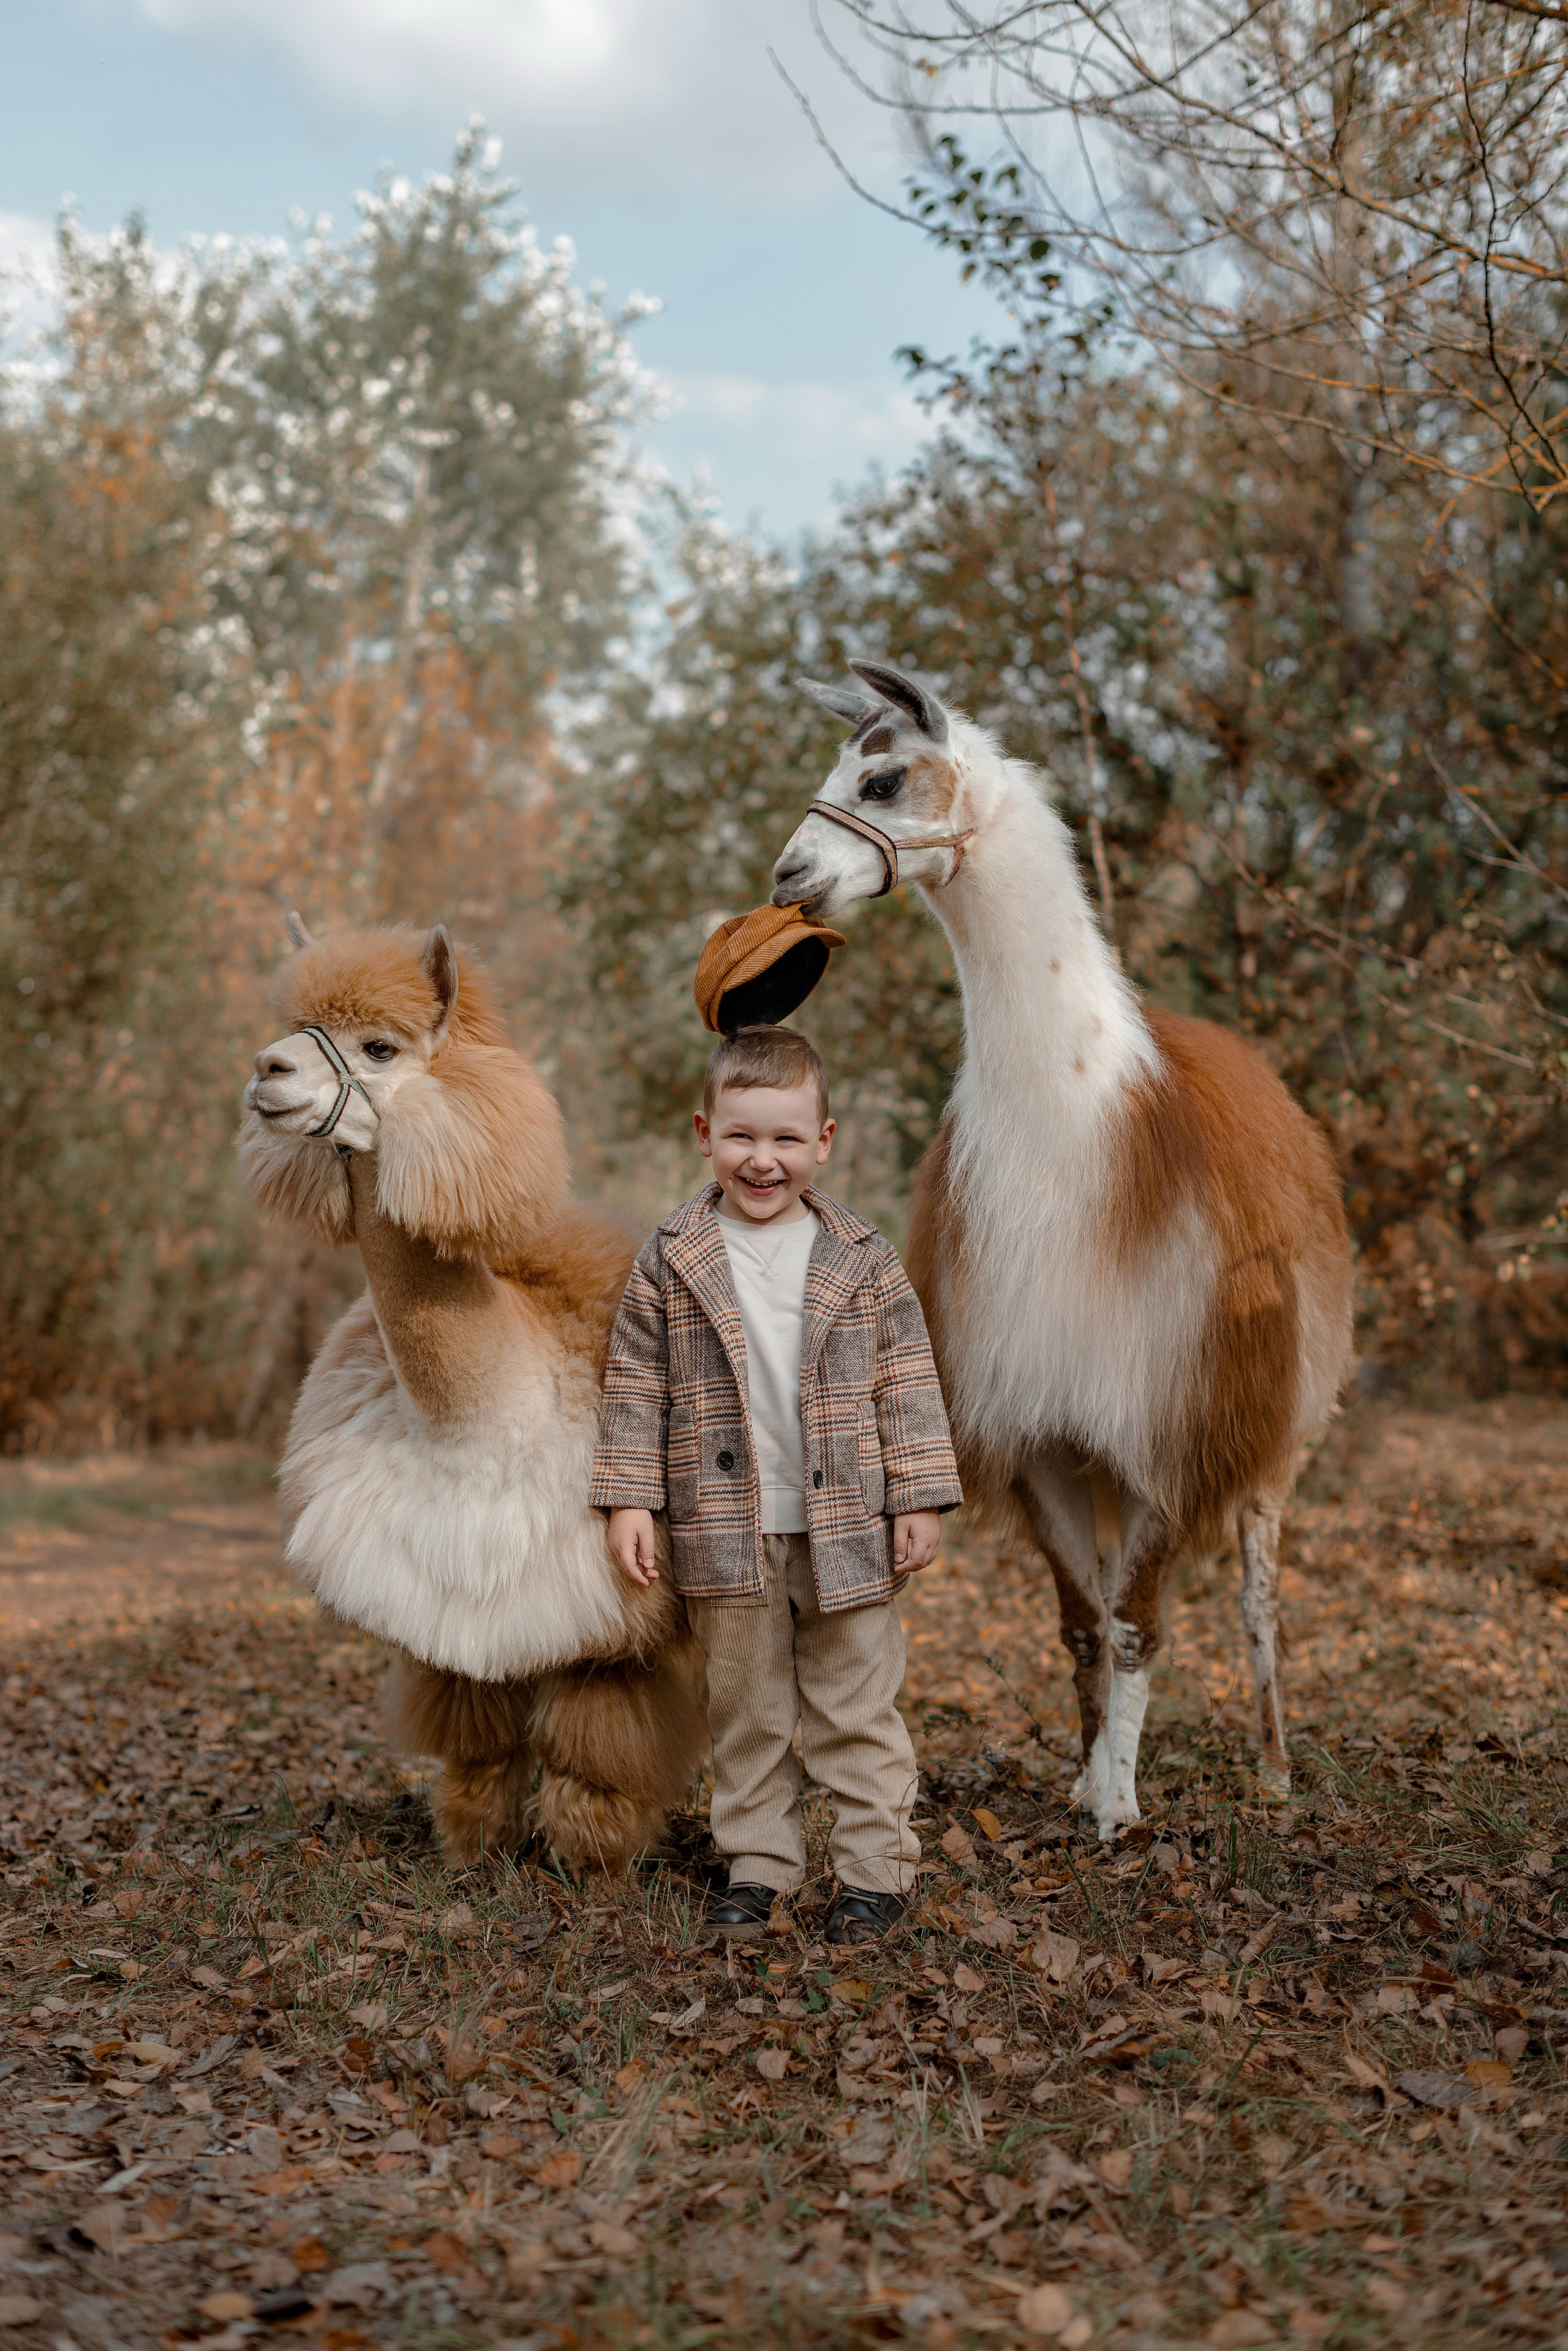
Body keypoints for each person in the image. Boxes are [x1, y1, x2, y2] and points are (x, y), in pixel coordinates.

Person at [590, 1024, 962, 1945]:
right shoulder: (672, 1255)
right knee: (746, 1710)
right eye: (741, 1136)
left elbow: (907, 1379)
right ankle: (760, 1865)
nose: (763, 1161)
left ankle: (877, 1874)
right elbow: (636, 1384)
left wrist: (916, 1494)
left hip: (848, 1525)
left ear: (825, 1141)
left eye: (787, 1140)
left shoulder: (863, 1258)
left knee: (857, 1705)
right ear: (703, 1131)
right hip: (725, 1527)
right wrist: (632, 1499)